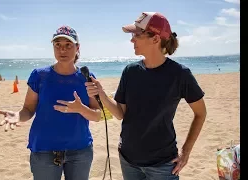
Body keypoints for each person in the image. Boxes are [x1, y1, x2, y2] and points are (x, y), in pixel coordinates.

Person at [85, 12, 207, 180]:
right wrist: (102, 94)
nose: (131, 40)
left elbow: (201, 113)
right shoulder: (130, 71)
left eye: (136, 35)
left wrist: (186, 152)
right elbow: (120, 114)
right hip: (128, 160)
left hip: (163, 165)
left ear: (155, 39)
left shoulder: (180, 74)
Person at [0, 25, 102, 180]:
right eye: (57, 45)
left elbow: (98, 116)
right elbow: (28, 109)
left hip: (80, 151)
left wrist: (81, 109)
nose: (62, 50)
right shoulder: (40, 75)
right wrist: (18, 116)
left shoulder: (86, 77)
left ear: (77, 47)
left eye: (68, 45)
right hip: (44, 150)